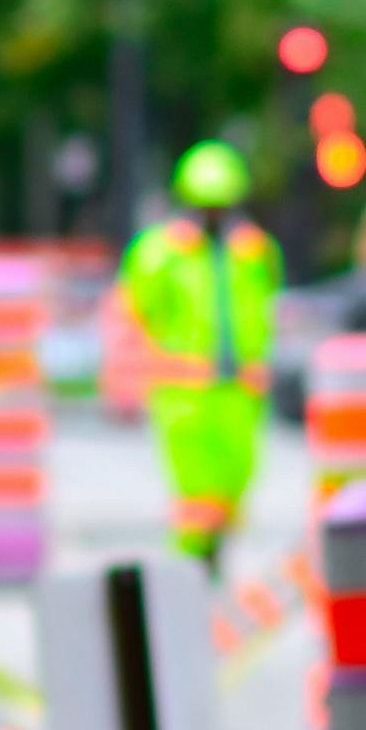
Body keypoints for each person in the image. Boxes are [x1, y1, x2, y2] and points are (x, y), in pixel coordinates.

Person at [120, 138, 282, 562]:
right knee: (196, 499)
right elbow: (139, 312)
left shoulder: (253, 252)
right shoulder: (160, 254)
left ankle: (211, 565)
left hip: (238, 392)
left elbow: (262, 311)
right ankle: (191, 573)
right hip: (185, 391)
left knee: (233, 489)